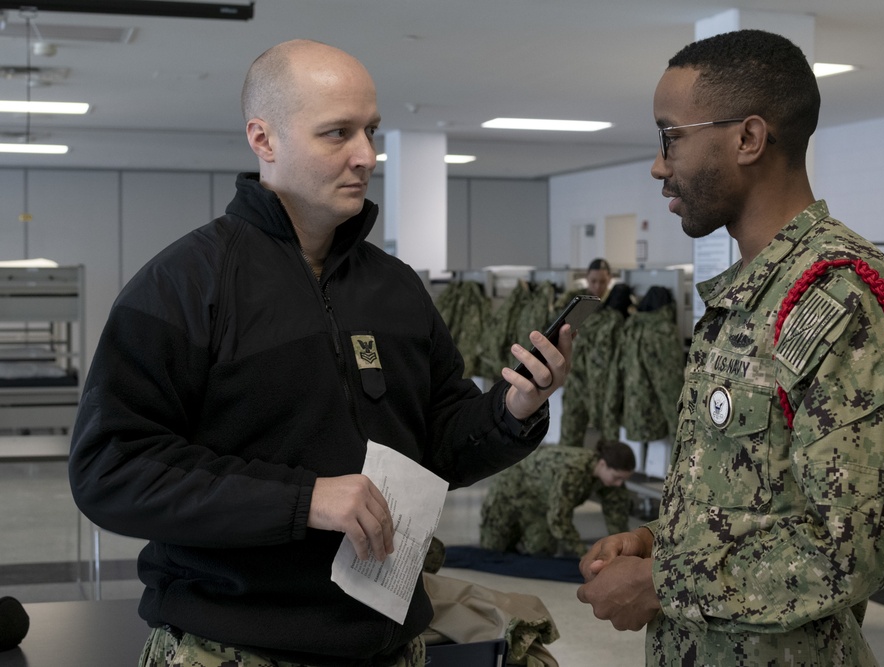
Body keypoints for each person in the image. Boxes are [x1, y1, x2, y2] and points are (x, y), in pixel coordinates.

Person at [67, 39, 572, 667]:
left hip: (390, 644)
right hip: (232, 647)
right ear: (264, 138)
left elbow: (440, 446)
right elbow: (110, 471)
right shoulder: (184, 286)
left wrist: (511, 410)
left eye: (370, 131)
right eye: (337, 133)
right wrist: (305, 500)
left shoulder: (395, 288)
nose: (366, 155)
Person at [576, 29, 884, 666]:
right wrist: (661, 543)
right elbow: (757, 495)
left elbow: (853, 549)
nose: (659, 164)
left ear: (747, 138)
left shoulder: (837, 298)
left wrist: (664, 584)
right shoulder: (749, 294)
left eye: (670, 136)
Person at [479, 440, 636, 557]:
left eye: (623, 479)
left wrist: (621, 554)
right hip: (510, 492)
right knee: (492, 550)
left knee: (542, 551)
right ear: (602, 464)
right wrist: (585, 554)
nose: (619, 484)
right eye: (617, 478)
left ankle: (526, 533)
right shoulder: (574, 472)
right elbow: (558, 520)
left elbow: (617, 520)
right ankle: (515, 531)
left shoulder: (612, 481)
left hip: (542, 504)